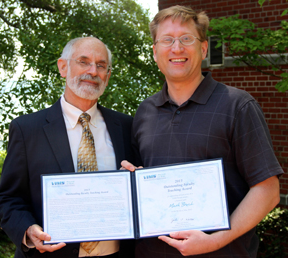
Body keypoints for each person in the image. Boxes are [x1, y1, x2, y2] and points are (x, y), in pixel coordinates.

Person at [121, 5, 283, 258]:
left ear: (203, 48)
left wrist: (216, 241)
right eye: (167, 40)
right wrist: (132, 180)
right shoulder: (145, 112)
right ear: (154, 52)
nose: (177, 48)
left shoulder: (238, 106)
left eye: (186, 38)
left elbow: (268, 190)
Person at [0, 37, 135, 258]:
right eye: (83, 61)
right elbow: (8, 198)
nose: (93, 71)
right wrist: (28, 231)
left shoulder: (127, 126)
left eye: (101, 65)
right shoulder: (27, 129)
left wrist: (135, 182)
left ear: (107, 75)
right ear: (63, 67)